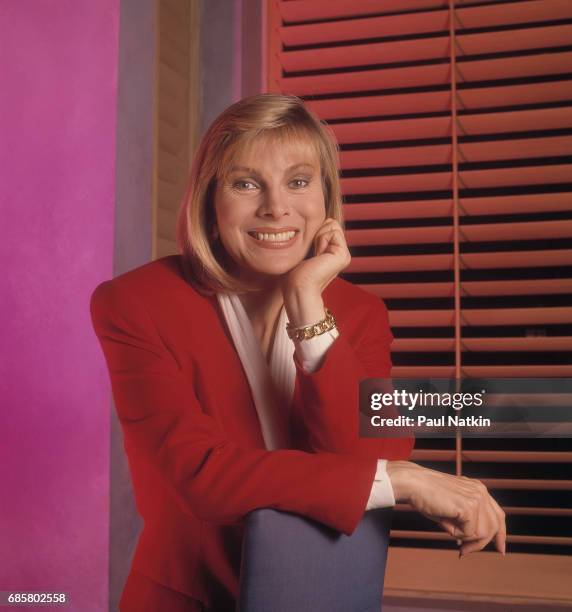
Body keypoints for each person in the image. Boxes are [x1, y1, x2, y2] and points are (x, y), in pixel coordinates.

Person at [90, 93, 506, 612]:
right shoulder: (136, 303)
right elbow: (200, 475)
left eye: (299, 181)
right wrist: (399, 480)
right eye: (246, 183)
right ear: (209, 200)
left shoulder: (360, 312)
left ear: (325, 198)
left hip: (321, 597)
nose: (276, 207)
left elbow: (369, 453)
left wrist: (310, 311)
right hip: (186, 600)